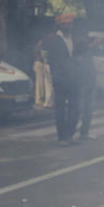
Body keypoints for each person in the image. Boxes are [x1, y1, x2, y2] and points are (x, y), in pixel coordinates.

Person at [44, 13, 81, 145]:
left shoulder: (73, 39)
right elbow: (53, 60)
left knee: (75, 108)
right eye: (66, 24)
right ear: (60, 25)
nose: (69, 26)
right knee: (60, 109)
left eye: (70, 24)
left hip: (73, 78)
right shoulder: (53, 39)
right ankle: (62, 137)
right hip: (60, 79)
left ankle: (70, 135)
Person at [33, 33, 54, 109]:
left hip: (42, 64)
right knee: (43, 84)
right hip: (41, 64)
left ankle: (41, 100)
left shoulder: (42, 43)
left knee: (43, 84)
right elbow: (39, 54)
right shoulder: (43, 43)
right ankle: (43, 100)